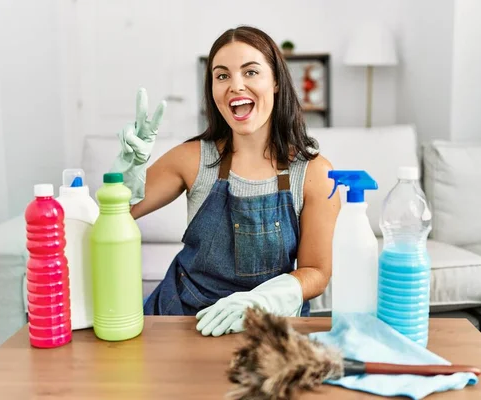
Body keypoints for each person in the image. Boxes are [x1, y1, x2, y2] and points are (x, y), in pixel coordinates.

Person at [111, 26, 341, 337]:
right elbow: (112, 216)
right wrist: (122, 178)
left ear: (275, 81)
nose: (235, 85)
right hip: (181, 322)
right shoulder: (192, 159)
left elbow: (316, 272)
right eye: (222, 76)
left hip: (266, 328)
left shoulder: (314, 174)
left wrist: (262, 301)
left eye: (250, 72)